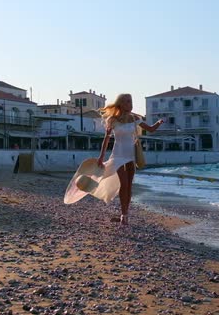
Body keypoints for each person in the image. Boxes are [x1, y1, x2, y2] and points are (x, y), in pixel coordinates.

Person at [63, 93, 164, 226]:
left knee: (129, 186)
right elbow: (106, 139)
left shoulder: (135, 118)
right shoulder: (112, 120)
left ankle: (125, 214)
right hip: (117, 155)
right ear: (121, 104)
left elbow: (150, 129)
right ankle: (123, 214)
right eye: (127, 101)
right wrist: (101, 157)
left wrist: (159, 122)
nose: (130, 104)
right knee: (123, 184)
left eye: (131, 101)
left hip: (130, 156)